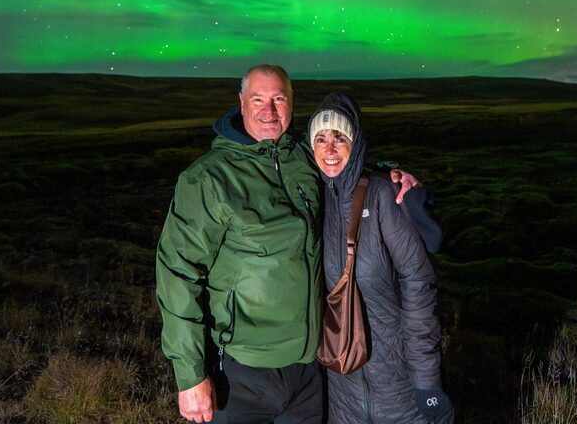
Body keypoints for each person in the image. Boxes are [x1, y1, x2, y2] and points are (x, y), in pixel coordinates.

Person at [155, 65, 421, 423]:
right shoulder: (208, 179)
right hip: (240, 372)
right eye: (259, 99)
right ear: (241, 102)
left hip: (307, 375)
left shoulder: (301, 158)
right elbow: (177, 272)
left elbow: (340, 164)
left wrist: (390, 175)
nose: (270, 111)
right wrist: (189, 376)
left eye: (279, 99)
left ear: (291, 102)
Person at [309, 92, 454, 424]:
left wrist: (426, 383)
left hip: (400, 390)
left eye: (340, 138)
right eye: (320, 138)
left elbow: (419, 288)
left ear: (356, 143)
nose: (329, 149)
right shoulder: (313, 199)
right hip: (342, 394)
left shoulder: (383, 195)